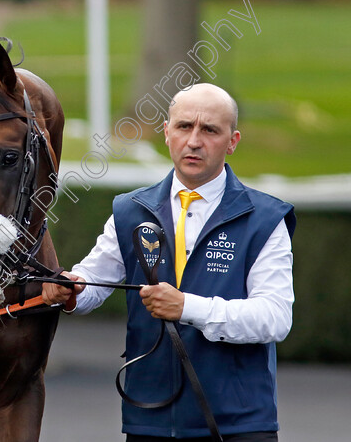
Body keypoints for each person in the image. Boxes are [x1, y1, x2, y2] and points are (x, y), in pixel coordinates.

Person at [42, 83, 295, 441]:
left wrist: (187, 307)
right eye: (183, 126)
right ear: (166, 132)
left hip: (239, 425)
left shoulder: (266, 218)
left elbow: (275, 319)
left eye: (209, 130)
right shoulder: (130, 210)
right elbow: (91, 283)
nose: (194, 141)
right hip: (149, 420)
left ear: (233, 141)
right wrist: (70, 288)